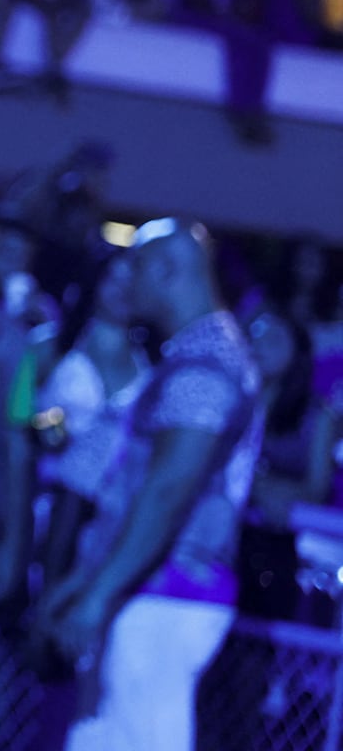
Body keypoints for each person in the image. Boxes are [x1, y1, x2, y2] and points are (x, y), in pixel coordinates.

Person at [36, 219, 261, 751]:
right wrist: (88, 583)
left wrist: (96, 597)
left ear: (166, 270)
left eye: (133, 265)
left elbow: (167, 493)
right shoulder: (195, 357)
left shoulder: (204, 366)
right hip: (153, 589)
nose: (123, 280)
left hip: (167, 593)